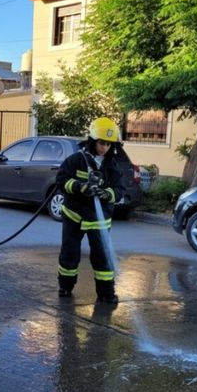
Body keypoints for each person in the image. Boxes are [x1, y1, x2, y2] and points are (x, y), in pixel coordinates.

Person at [55, 117, 125, 303]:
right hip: (74, 216)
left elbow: (119, 190)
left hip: (99, 220)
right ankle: (65, 287)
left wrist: (107, 194)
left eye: (108, 144)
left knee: (102, 256)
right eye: (102, 143)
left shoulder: (112, 165)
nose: (105, 148)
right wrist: (80, 187)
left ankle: (106, 293)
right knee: (70, 253)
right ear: (93, 141)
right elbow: (61, 181)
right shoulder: (76, 160)